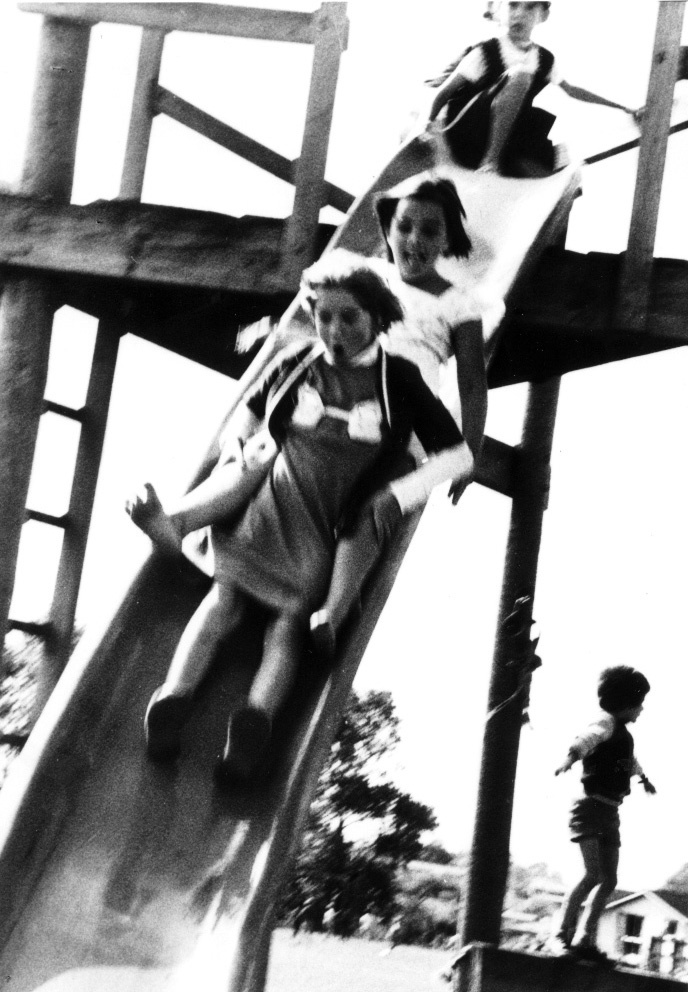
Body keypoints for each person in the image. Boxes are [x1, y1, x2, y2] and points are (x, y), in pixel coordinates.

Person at [138, 250, 474, 782]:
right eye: (324, 316)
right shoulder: (298, 360)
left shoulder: (399, 378)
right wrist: (237, 450)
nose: (334, 330)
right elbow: (249, 412)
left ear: (378, 318)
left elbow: (458, 456)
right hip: (271, 501)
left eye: (349, 318)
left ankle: (253, 725)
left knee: (288, 624)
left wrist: (398, 495)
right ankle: (173, 699)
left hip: (327, 521)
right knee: (222, 601)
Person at [309, 176, 500, 659]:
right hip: (346, 400)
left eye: (431, 231)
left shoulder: (458, 302)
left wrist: (470, 451)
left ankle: (333, 611)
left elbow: (472, 385)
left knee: (377, 504)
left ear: (447, 239)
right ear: (388, 229)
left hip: (404, 420)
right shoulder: (365, 279)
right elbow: (318, 327)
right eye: (405, 227)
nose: (415, 240)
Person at [425, 1, 644, 177]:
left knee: (560, 168)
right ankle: (489, 162)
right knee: (521, 76)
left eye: (530, 7)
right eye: (513, 5)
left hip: (511, 137)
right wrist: (428, 125)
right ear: (500, 8)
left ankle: (508, 163)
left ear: (543, 15)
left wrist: (624, 108)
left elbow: (572, 91)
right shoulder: (486, 52)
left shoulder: (544, 58)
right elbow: (444, 92)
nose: (519, 14)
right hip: (471, 132)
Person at [554, 666, 655, 964]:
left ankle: (585, 938)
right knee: (592, 875)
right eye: (638, 704)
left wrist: (643, 778)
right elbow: (588, 738)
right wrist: (571, 757)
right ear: (624, 704)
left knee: (609, 880)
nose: (641, 709)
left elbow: (629, 760)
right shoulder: (605, 723)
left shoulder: (623, 734)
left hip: (610, 811)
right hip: (590, 808)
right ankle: (561, 933)